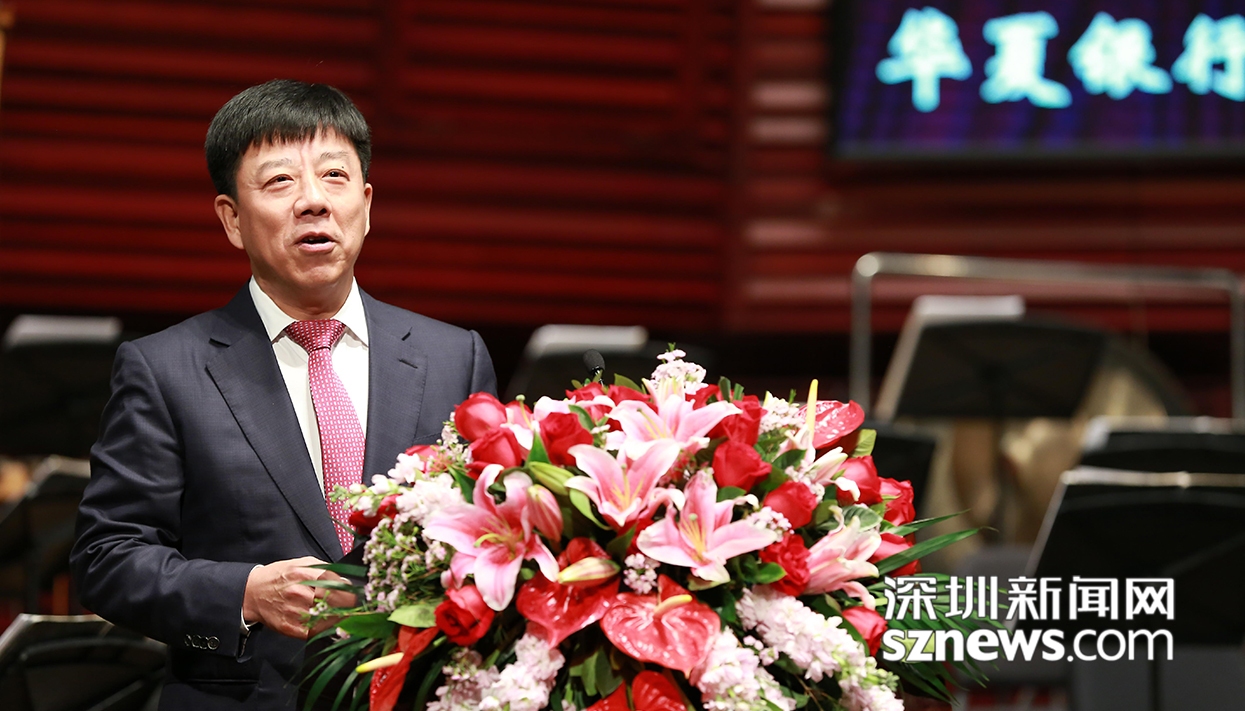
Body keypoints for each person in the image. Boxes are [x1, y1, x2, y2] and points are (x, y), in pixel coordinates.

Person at [70, 79, 497, 710]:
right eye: (279, 182)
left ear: (367, 205)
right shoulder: (164, 369)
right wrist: (243, 594)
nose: (314, 201)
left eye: (334, 176)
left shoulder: (453, 358)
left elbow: (489, 538)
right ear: (232, 220)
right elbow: (106, 558)